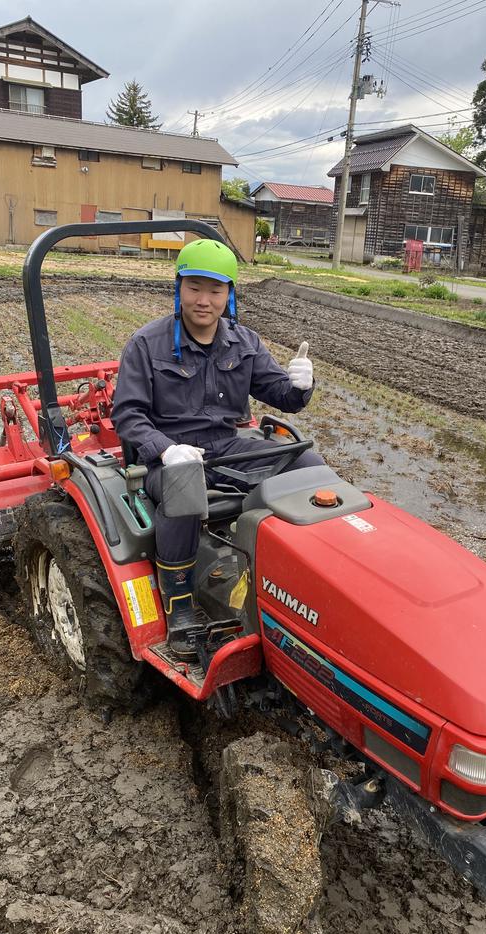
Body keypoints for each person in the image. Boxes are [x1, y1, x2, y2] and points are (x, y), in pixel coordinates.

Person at [112, 238, 323, 656]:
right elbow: (128, 415)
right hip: (167, 457)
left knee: (309, 464)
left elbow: (280, 395)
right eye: (194, 287)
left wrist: (300, 386)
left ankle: (309, 576)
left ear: (230, 294)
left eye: (215, 290)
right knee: (183, 484)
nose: (203, 300)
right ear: (178, 288)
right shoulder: (147, 344)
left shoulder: (244, 342)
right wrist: (165, 449)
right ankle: (179, 603)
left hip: (226, 447)